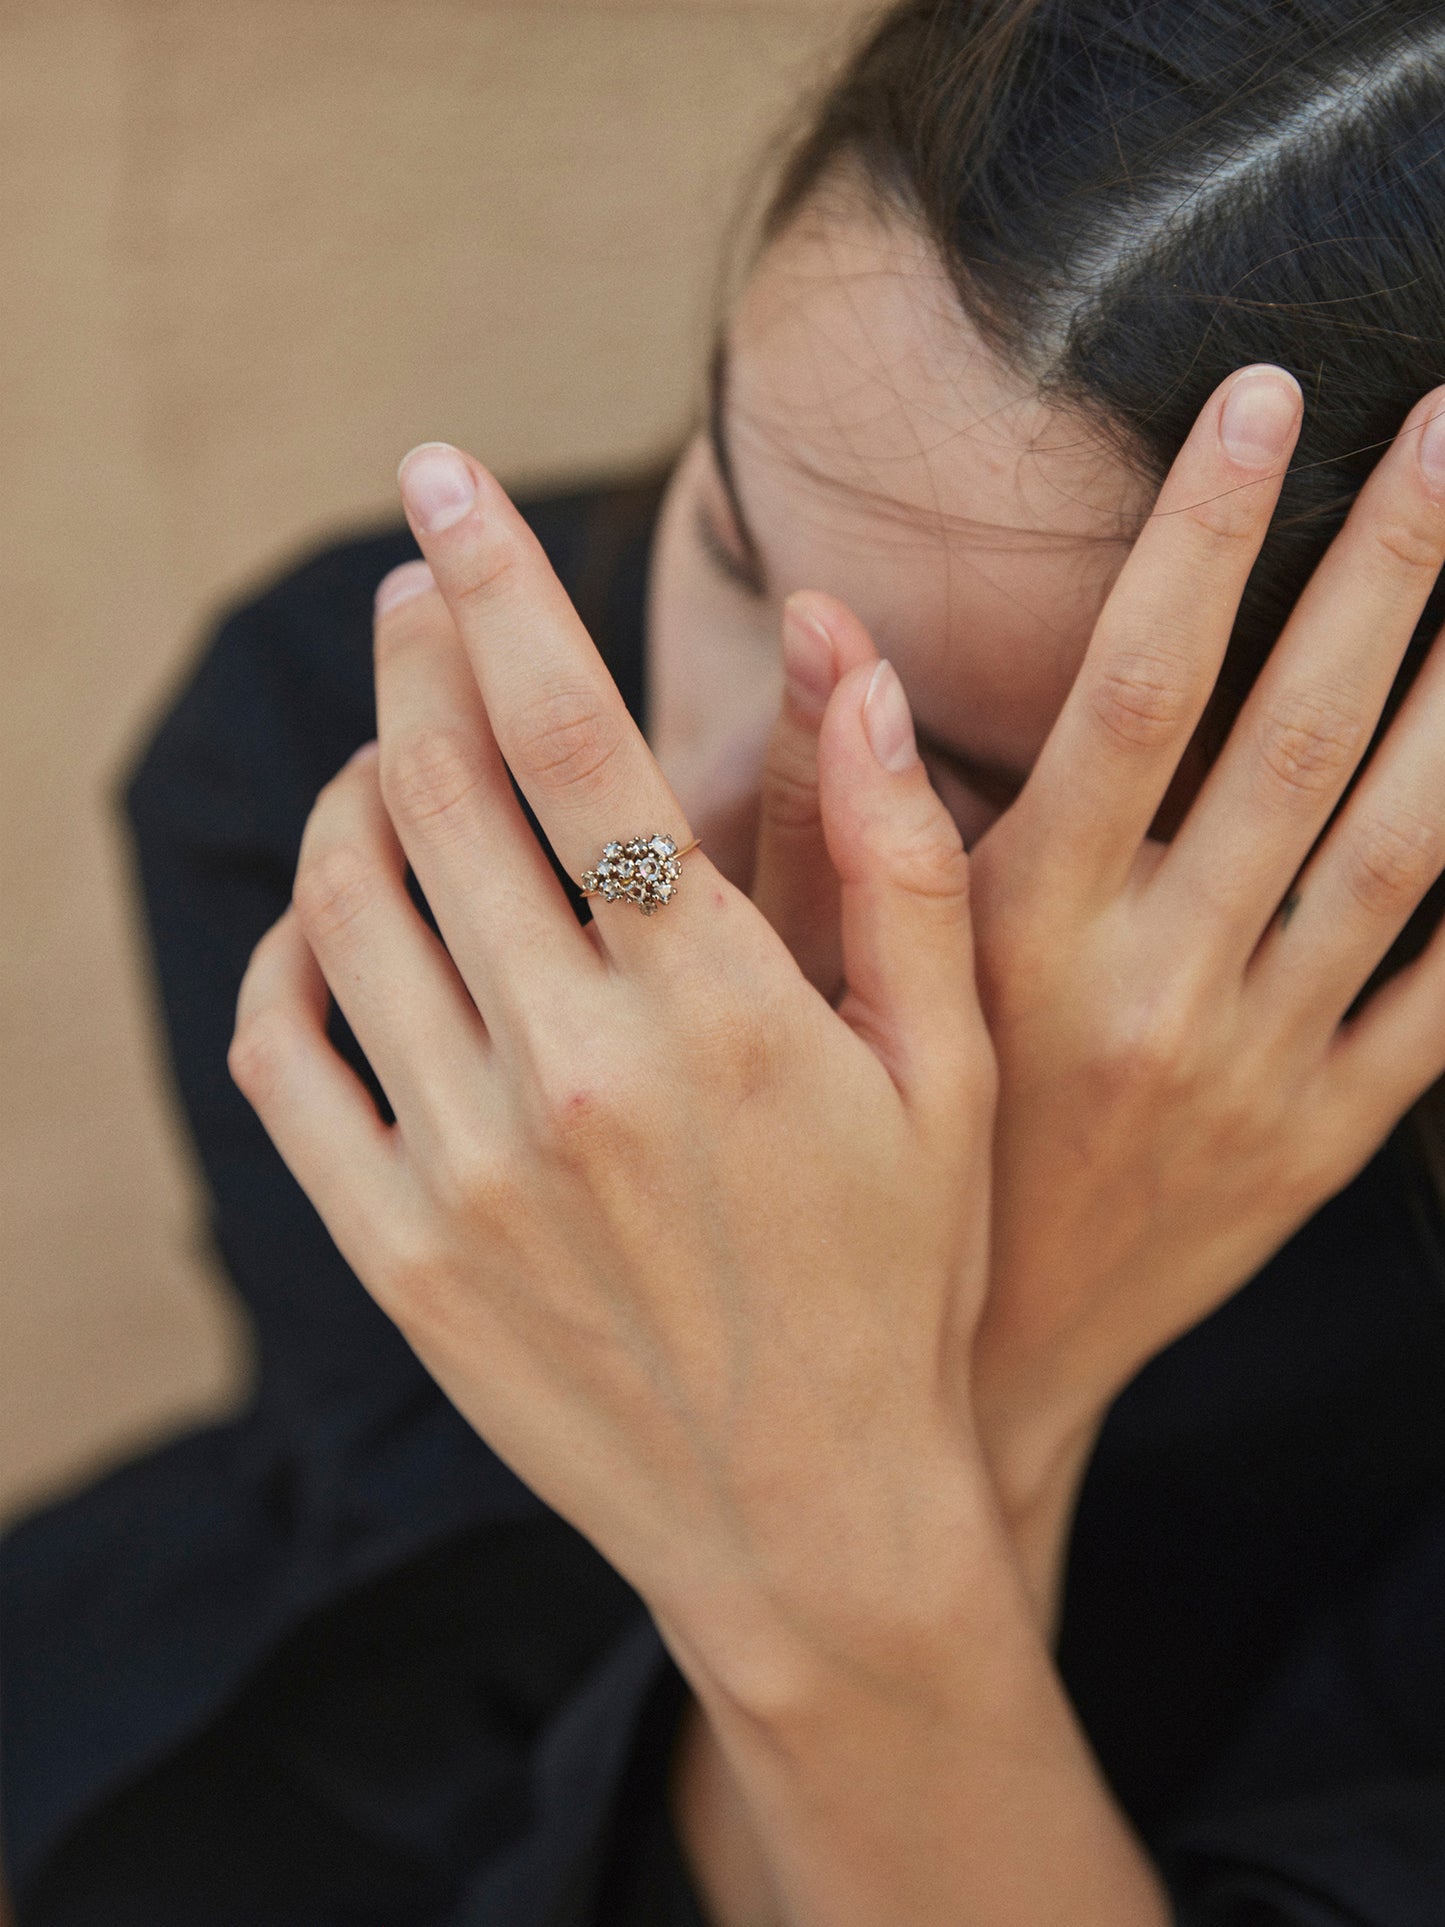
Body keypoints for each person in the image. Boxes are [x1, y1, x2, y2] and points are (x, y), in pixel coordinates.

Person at [6, 0, 1445, 1919]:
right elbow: (451, 1752)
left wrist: (961, 1415)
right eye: (733, 538)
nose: (661, 827)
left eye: (942, 767)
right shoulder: (338, 749)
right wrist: (984, 1390)